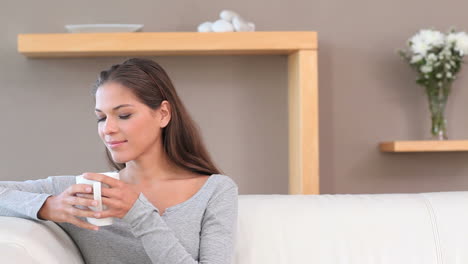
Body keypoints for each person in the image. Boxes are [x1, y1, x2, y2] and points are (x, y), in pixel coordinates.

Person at [0, 58, 238, 263]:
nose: (108, 129)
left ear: (163, 114)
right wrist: (47, 206)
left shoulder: (215, 190)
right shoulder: (88, 194)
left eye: (124, 115)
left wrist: (138, 213)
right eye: (101, 118)